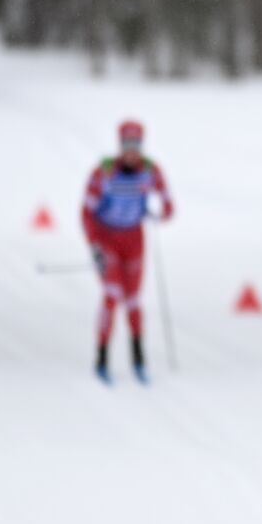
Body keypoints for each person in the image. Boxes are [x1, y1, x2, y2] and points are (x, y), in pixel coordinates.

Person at [82, 120, 173, 383]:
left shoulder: (150, 171)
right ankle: (101, 358)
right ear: (119, 145)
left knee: (133, 300)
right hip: (106, 238)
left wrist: (160, 213)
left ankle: (138, 359)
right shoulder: (105, 172)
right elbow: (86, 212)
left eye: (136, 145)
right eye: (126, 145)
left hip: (134, 239)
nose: (131, 151)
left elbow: (168, 204)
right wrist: (94, 245)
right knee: (112, 294)